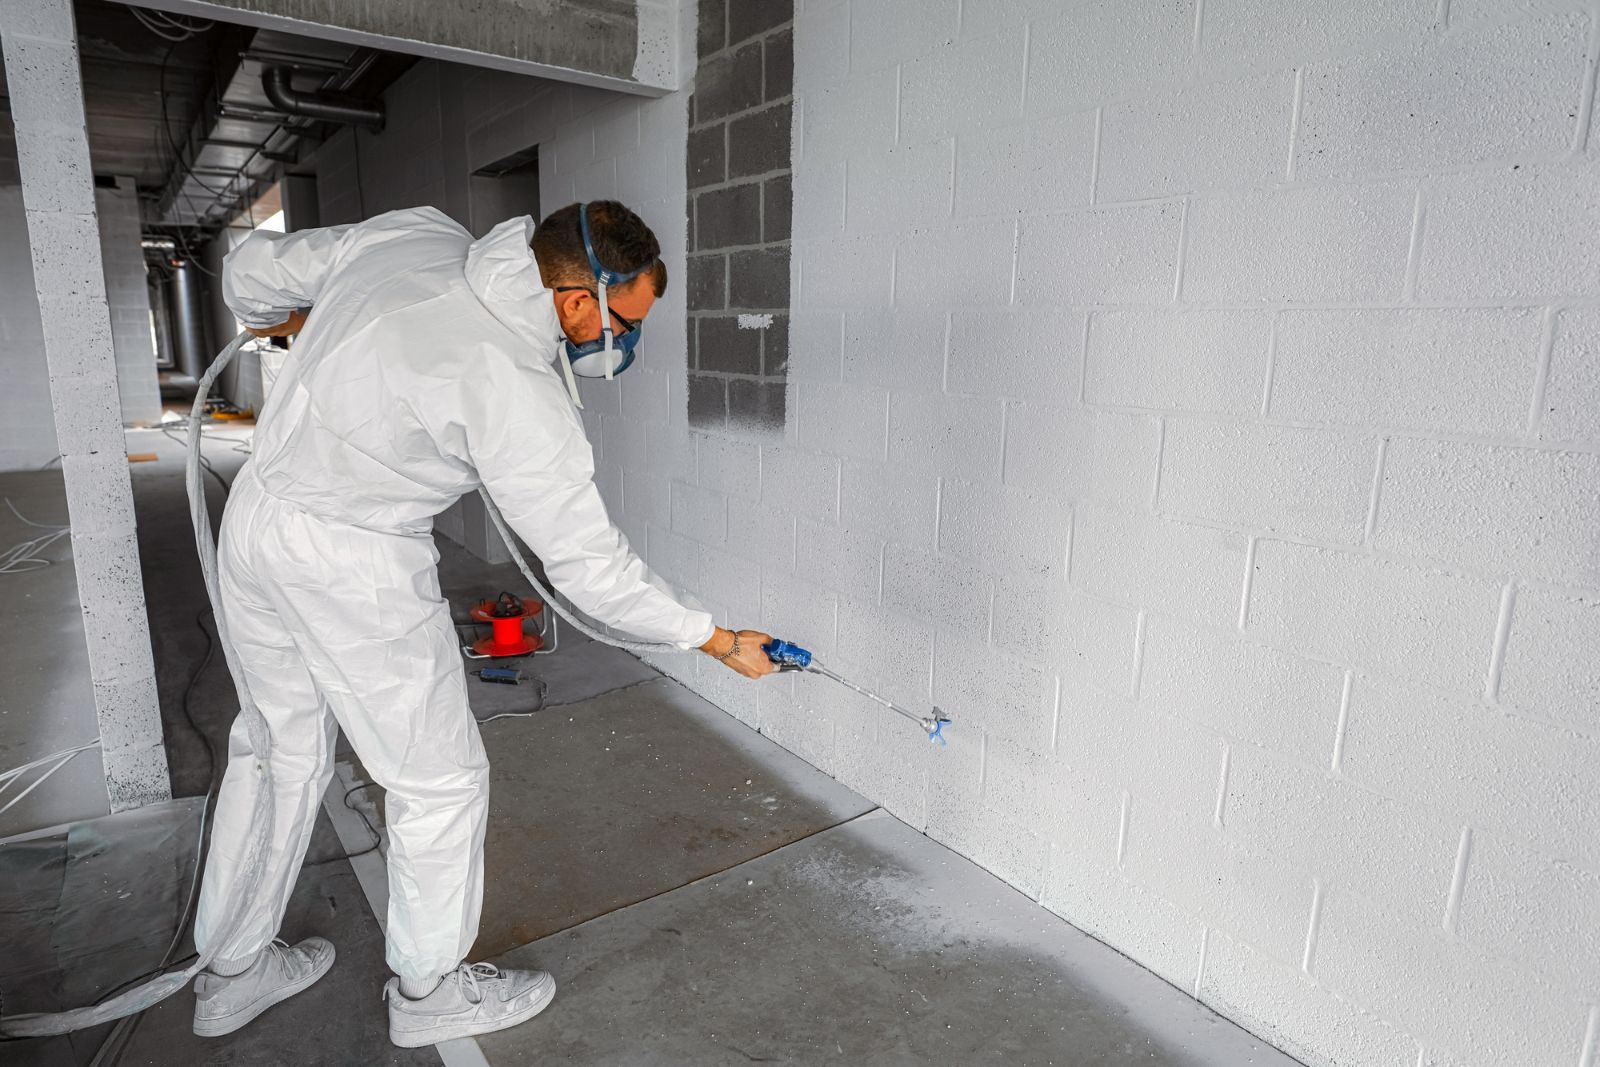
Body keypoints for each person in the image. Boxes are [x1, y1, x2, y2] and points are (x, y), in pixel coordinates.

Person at [188, 201, 776, 1048]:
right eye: (626, 320)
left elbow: (246, 269)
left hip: (260, 515)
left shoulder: (415, 234)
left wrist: (298, 315)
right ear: (579, 302)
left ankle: (232, 971)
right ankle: (428, 993)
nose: (623, 340)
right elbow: (592, 571)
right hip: (353, 557)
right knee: (437, 780)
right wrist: (716, 639)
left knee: (278, 746)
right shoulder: (517, 388)